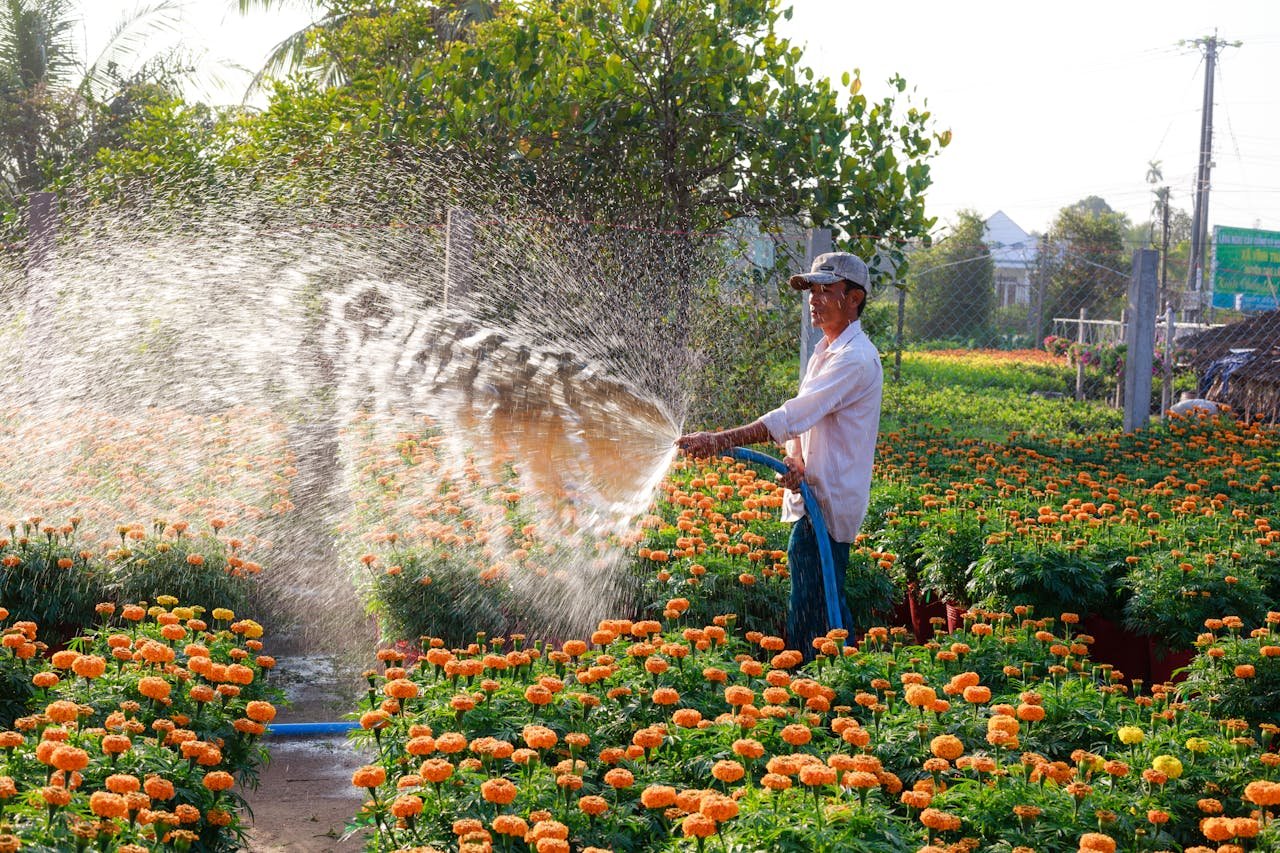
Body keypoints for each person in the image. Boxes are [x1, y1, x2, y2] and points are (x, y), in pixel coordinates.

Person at [676, 251, 882, 658]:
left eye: (826, 289)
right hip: (814, 495)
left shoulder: (855, 359)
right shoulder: (828, 353)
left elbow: (793, 414)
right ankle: (830, 680)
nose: (814, 298)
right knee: (821, 596)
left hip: (829, 501)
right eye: (812, 290)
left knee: (817, 605)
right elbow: (804, 423)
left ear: (854, 298)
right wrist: (796, 460)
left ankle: (816, 685)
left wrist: (718, 440)